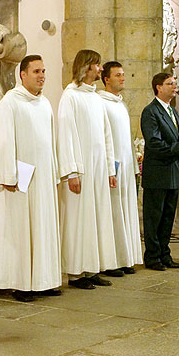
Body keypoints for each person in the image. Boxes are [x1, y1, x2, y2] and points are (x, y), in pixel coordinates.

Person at [0, 54, 62, 302]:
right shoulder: (10, 103)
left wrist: (54, 171)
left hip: (42, 179)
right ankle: (20, 282)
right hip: (20, 180)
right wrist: (8, 174)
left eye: (43, 71)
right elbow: (3, 142)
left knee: (43, 227)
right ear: (23, 75)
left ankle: (45, 279)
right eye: (36, 72)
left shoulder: (45, 103)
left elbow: (50, 142)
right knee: (20, 230)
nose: (41, 76)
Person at [57, 49, 119, 289]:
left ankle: (92, 268)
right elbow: (66, 135)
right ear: (85, 67)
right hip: (81, 169)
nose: (100, 69)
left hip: (98, 168)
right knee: (78, 220)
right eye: (97, 65)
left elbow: (106, 135)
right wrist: (71, 171)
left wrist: (110, 169)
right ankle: (75, 272)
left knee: (96, 218)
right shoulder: (70, 96)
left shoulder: (95, 97)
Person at [140, 73, 179, 271]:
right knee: (154, 217)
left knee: (168, 216)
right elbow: (153, 142)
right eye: (170, 84)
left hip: (172, 171)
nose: (174, 86)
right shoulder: (150, 112)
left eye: (174, 83)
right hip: (157, 172)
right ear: (158, 87)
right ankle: (152, 257)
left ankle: (165, 254)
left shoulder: (173, 111)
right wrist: (178, 148)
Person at [99, 61, 143, 273]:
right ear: (106, 79)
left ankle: (126, 257)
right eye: (118, 75)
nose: (123, 78)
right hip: (113, 167)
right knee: (114, 212)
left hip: (126, 167)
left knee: (126, 211)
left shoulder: (120, 104)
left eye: (123, 74)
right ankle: (113, 260)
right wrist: (109, 167)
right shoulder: (102, 103)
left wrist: (134, 165)